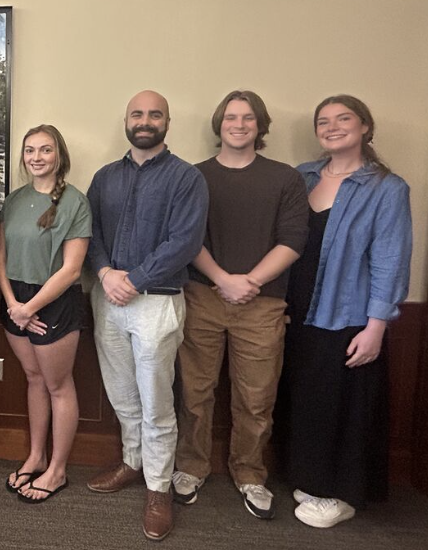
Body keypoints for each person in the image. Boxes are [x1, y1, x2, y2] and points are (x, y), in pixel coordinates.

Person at [171, 91, 308, 519]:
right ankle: (191, 467)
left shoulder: (285, 178)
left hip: (263, 303)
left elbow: (293, 241)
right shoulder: (195, 176)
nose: (239, 124)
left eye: (248, 118)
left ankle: (250, 474)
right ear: (219, 124)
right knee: (194, 393)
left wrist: (249, 282)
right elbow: (187, 238)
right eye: (231, 117)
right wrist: (223, 279)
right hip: (202, 297)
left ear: (260, 125)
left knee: (256, 397)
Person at [85, 90, 208, 541]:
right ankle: (133, 464)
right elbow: (90, 231)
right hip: (107, 298)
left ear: (167, 122)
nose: (145, 120)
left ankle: (159, 489)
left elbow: (184, 242)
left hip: (156, 301)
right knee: (122, 395)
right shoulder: (104, 177)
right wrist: (103, 271)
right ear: (126, 120)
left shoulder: (186, 178)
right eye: (137, 113)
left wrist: (132, 279)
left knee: (157, 403)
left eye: (154, 114)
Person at [284, 95, 411, 528]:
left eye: (344, 119)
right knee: (306, 400)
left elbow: (390, 259)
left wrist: (377, 326)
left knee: (345, 405)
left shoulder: (386, 188)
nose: (332, 126)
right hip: (296, 310)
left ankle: (344, 494)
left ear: (365, 127)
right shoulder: (301, 178)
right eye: (324, 120)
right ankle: (310, 478)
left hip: (349, 315)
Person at [0, 125, 91, 503]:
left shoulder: (75, 202)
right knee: (33, 378)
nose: (36, 157)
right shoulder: (14, 200)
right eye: (30, 150)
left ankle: (58, 470)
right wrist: (13, 307)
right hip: (14, 300)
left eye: (45, 150)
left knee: (57, 385)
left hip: (54, 300)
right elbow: (0, 258)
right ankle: (36, 457)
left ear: (59, 156)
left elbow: (71, 269)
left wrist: (30, 309)